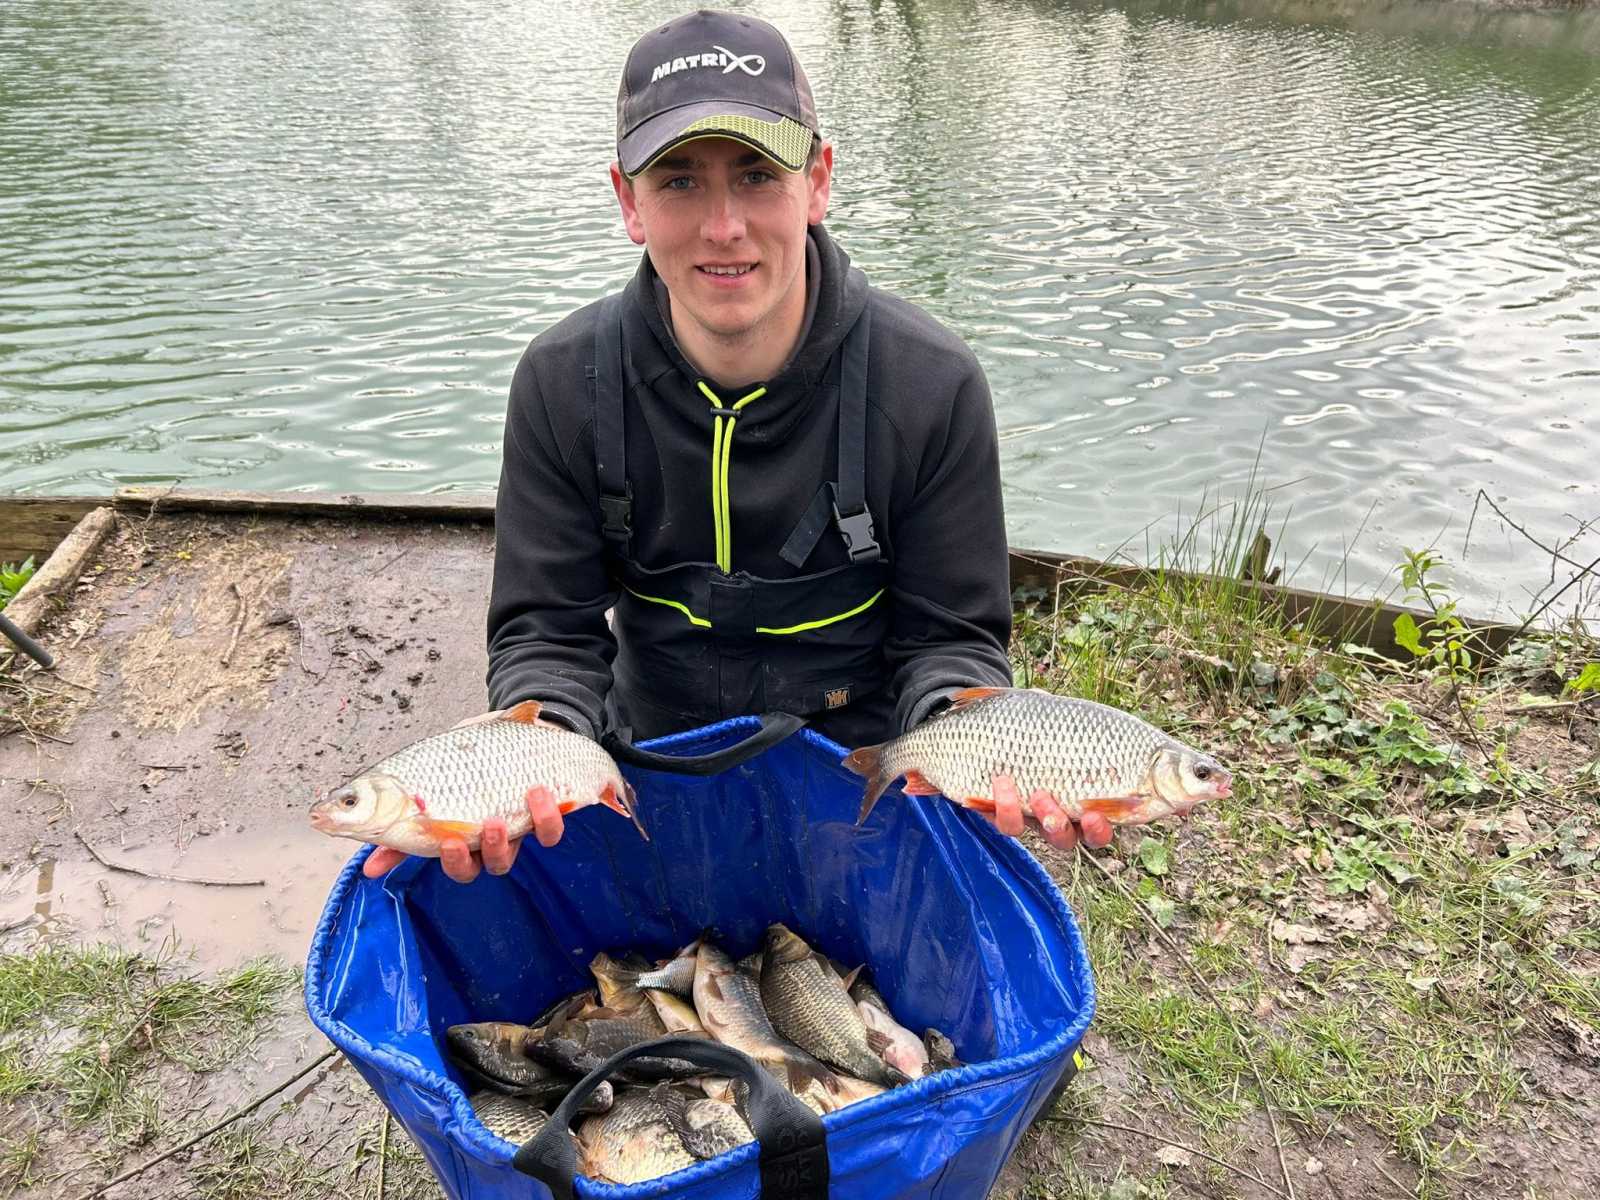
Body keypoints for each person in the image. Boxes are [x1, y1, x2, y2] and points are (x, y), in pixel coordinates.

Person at [363, 9, 1113, 884]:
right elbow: (547, 635)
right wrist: (537, 745)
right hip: (646, 766)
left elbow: (950, 642)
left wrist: (973, 737)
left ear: (818, 182)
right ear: (628, 201)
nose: (723, 226)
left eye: (757, 175)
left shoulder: (930, 385)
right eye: (679, 181)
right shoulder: (562, 384)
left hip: (862, 772)